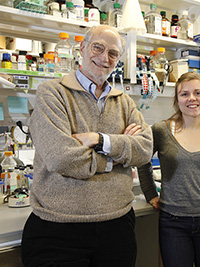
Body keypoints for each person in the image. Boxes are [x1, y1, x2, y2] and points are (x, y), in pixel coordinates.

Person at [21, 25, 153, 267]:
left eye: (113, 53)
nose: (104, 58)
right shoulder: (52, 94)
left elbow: (144, 149)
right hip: (58, 229)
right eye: (98, 47)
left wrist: (99, 140)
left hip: (117, 228)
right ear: (82, 48)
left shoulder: (124, 102)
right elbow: (60, 157)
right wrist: (116, 157)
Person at [137, 72, 200, 267]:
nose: (191, 98)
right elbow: (142, 160)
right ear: (177, 100)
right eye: (184, 94)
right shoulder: (161, 130)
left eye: (197, 93)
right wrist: (150, 193)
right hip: (173, 222)